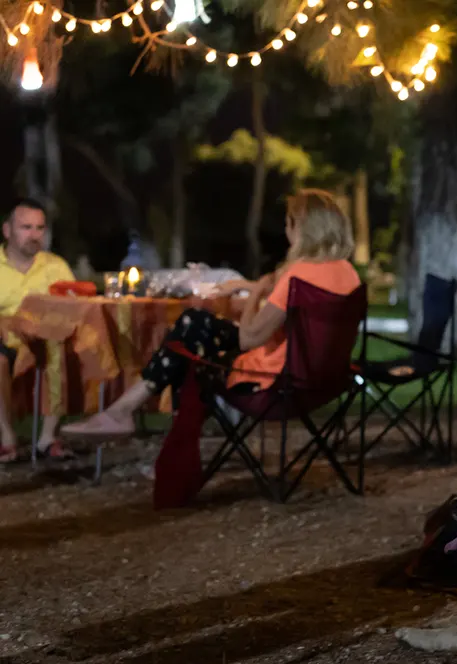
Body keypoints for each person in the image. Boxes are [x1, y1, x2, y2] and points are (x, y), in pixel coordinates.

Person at [62, 189, 361, 439]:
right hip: (325, 381)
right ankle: (129, 415)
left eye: (289, 224)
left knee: (190, 341)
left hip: (274, 384)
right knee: (197, 328)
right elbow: (295, 309)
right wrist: (251, 287)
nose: (286, 232)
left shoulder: (297, 275)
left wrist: (256, 292)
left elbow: (248, 339)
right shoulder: (348, 274)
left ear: (302, 228)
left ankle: (134, 420)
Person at [0, 198, 76, 462]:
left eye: (39, 228)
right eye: (26, 227)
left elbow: (75, 308)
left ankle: (48, 438)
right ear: (7, 230)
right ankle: (6, 437)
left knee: (61, 352)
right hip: (6, 340)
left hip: (45, 339)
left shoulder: (56, 267)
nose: (34, 235)